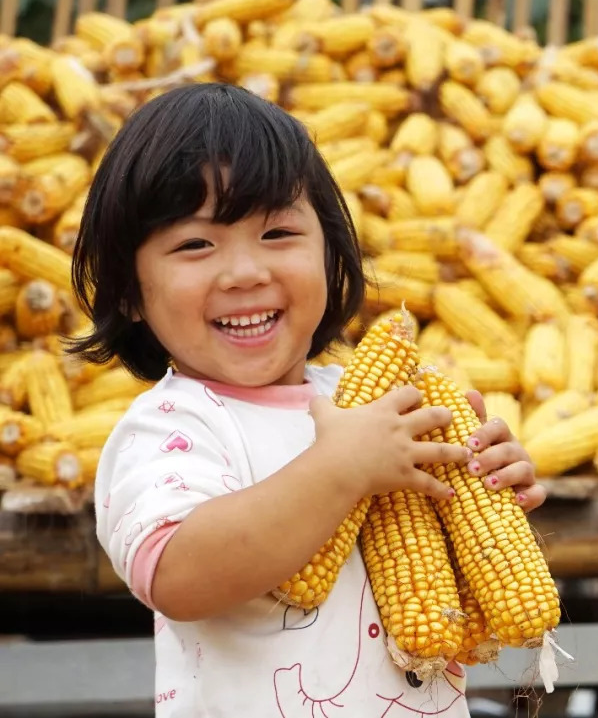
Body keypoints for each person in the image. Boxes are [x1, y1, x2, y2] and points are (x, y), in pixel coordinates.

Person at [70, 82, 547, 717]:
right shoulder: (170, 428)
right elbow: (180, 578)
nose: (245, 271)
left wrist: (484, 496)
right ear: (130, 291)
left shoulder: (363, 401)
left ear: (331, 250)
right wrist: (341, 469)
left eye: (278, 234)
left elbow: (454, 611)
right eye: (195, 244)